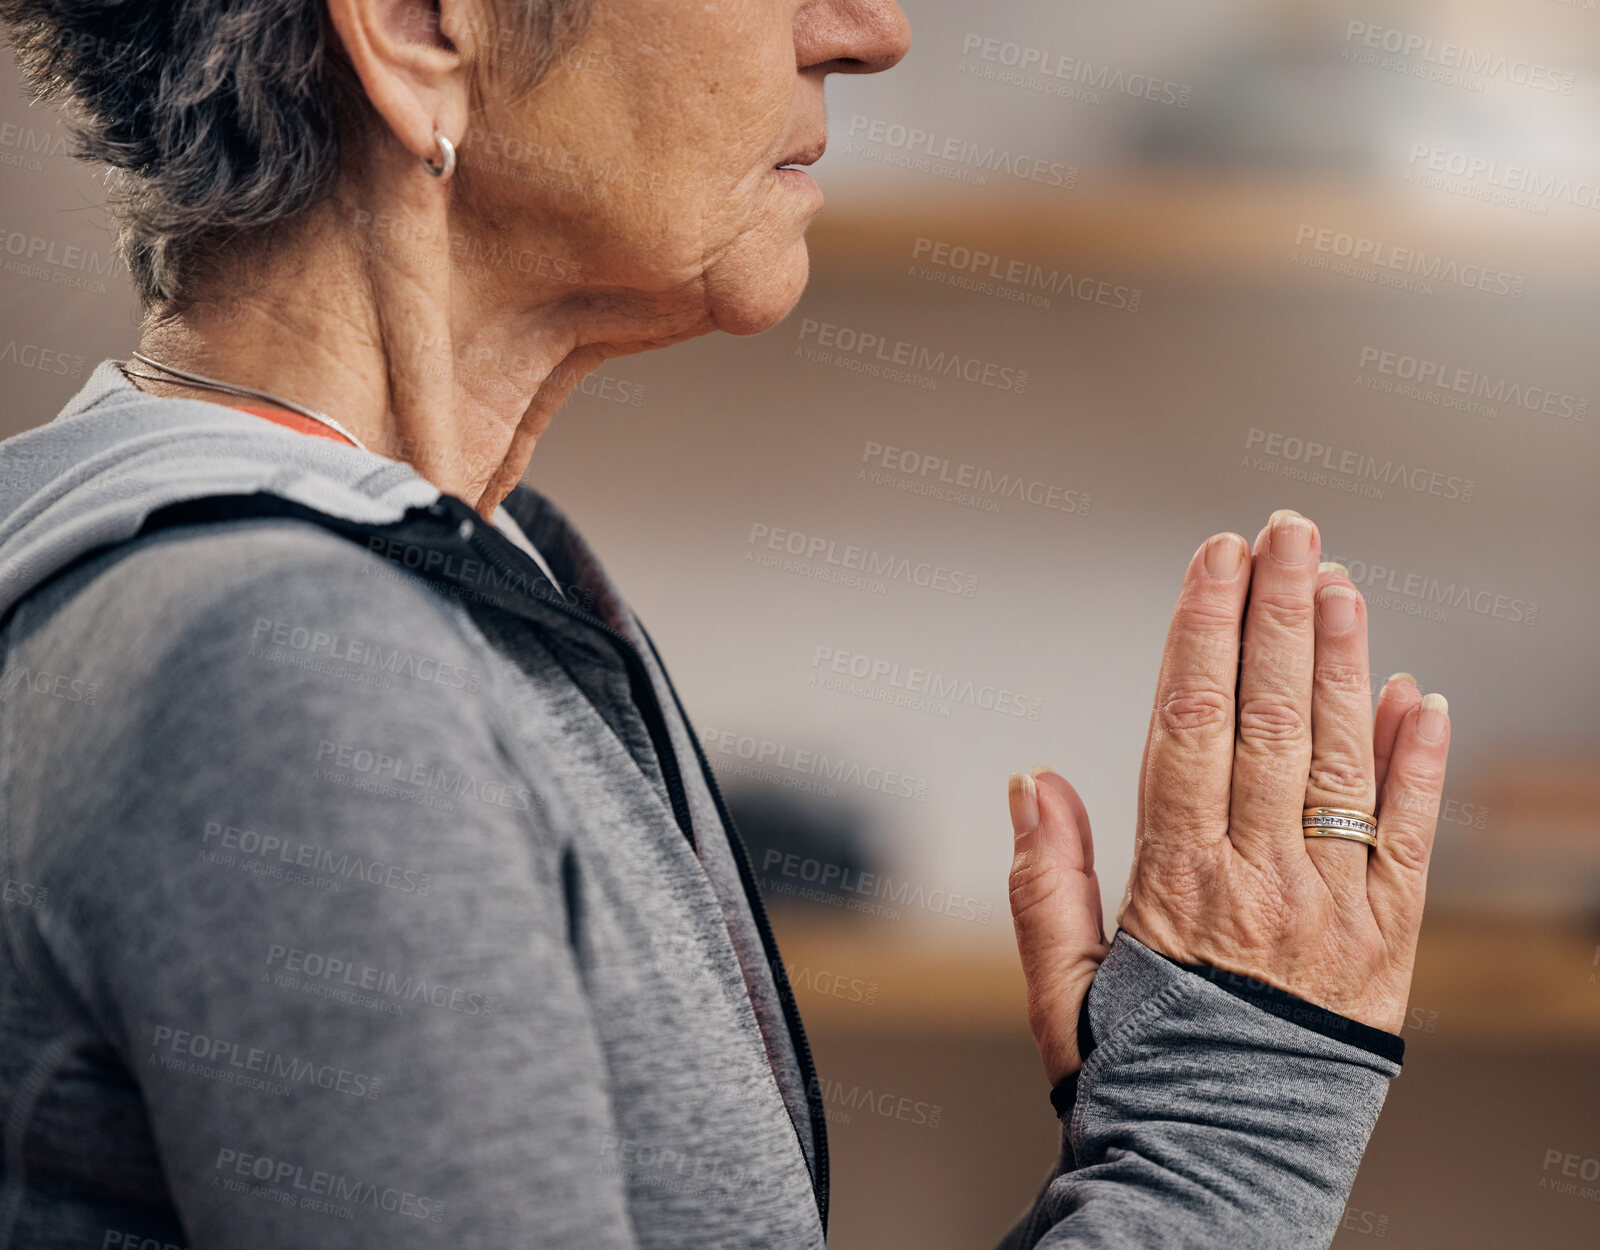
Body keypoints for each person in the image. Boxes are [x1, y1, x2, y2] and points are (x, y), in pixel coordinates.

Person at [0, 1, 1451, 1247]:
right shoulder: (296, 678)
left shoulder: (460, 570)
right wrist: (1227, 1127)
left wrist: (1168, 1136)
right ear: (420, 25)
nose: (868, 33)